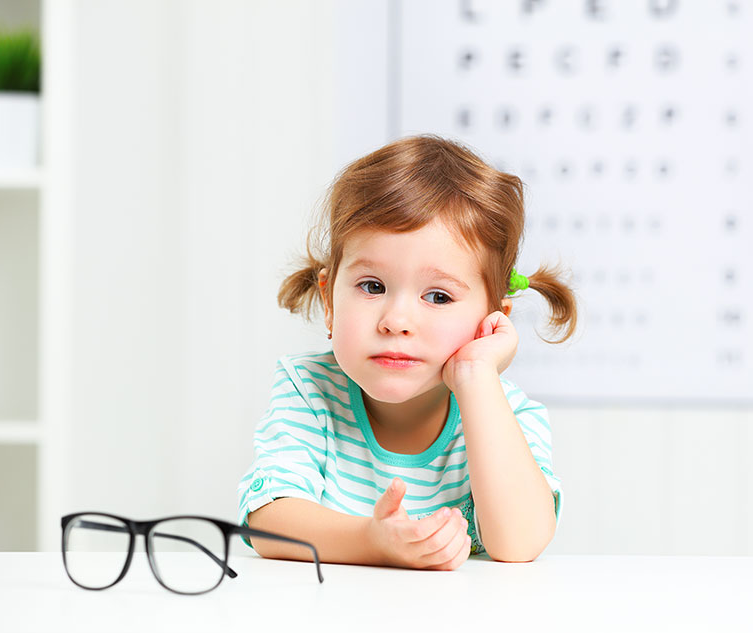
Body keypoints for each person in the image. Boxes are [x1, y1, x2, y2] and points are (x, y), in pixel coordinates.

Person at [237, 134, 577, 570]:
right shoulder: (309, 390)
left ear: (491, 318)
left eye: (438, 297)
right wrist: (373, 541)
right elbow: (268, 519)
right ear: (328, 301)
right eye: (372, 287)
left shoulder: (505, 413)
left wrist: (476, 376)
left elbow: (519, 543)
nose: (396, 320)